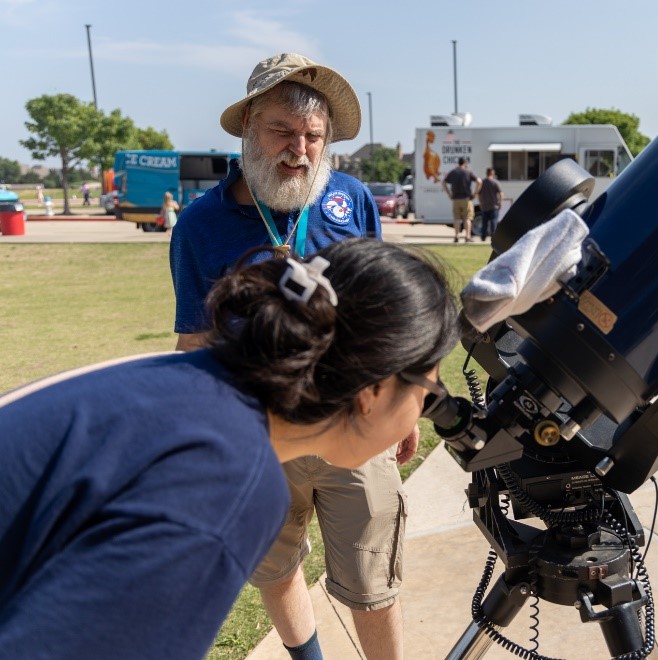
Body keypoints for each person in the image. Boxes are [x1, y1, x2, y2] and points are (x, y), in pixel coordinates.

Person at [0, 239, 459, 659]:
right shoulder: (227, 480)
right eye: (429, 391)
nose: (427, 409)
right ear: (372, 391)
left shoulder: (196, 383)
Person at [170, 52, 407, 660]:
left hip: (351, 419)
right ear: (249, 125)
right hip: (258, 435)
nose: (299, 150)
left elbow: (381, 307)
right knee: (272, 564)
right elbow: (196, 339)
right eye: (282, 130)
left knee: (372, 578)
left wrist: (402, 395)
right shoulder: (198, 226)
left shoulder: (351, 199)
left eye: (313, 136)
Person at [442, 157, 481, 243]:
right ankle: (467, 237)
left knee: (457, 219)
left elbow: (443, 182)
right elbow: (479, 181)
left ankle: (456, 236)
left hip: (456, 199)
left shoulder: (453, 172)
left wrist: (449, 194)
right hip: (466, 199)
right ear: (465, 163)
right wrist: (475, 193)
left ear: (458, 163)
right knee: (467, 218)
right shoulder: (468, 172)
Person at [477, 167, 503, 242]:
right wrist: (500, 203)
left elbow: (478, 194)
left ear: (486, 173)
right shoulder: (495, 182)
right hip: (494, 206)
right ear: (493, 173)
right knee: (493, 222)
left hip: (484, 206)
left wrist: (481, 202)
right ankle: (493, 237)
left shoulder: (482, 182)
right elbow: (501, 194)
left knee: (484, 223)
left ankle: (483, 237)